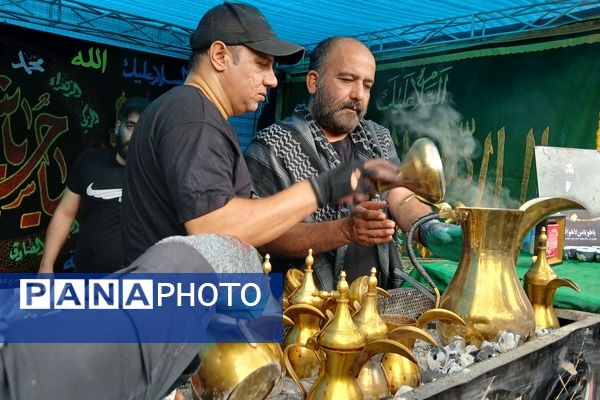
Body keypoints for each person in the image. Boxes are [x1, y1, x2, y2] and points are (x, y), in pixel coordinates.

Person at [121, 3, 407, 265]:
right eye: (262, 64)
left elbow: (239, 224)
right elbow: (214, 230)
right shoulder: (193, 115)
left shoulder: (192, 112)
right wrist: (325, 187)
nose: (271, 80)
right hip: (173, 309)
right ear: (220, 56)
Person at [245, 37, 463, 289]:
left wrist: (431, 229)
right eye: (347, 80)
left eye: (367, 85)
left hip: (378, 298)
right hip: (304, 310)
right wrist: (344, 231)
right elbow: (262, 235)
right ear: (313, 82)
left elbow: (399, 194)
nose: (358, 95)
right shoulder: (272, 144)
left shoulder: (377, 137)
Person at [40, 96, 150, 273]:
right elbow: (65, 213)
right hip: (85, 281)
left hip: (137, 286)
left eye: (143, 129)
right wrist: (46, 267)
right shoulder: (90, 161)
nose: (135, 135)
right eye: (131, 126)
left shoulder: (157, 175)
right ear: (117, 127)